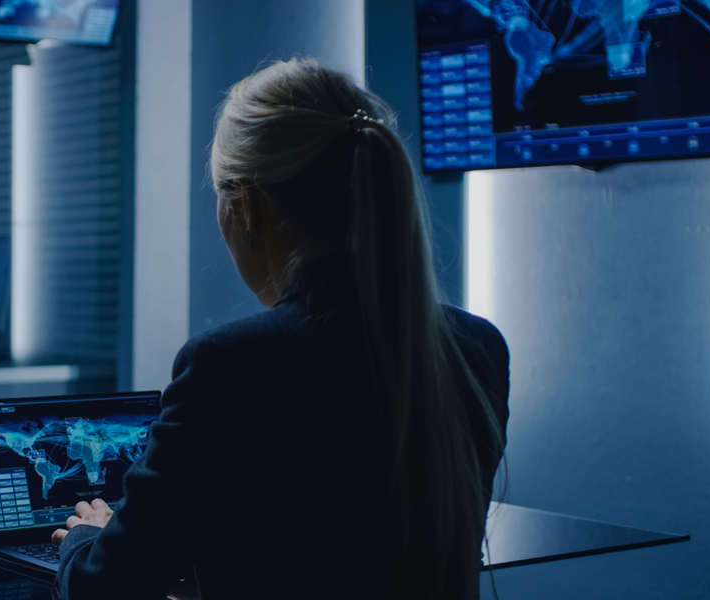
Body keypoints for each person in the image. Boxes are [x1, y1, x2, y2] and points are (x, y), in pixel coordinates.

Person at [50, 59, 510, 599]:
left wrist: (85, 537)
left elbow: (103, 588)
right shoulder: (478, 348)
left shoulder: (230, 365)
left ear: (244, 205)